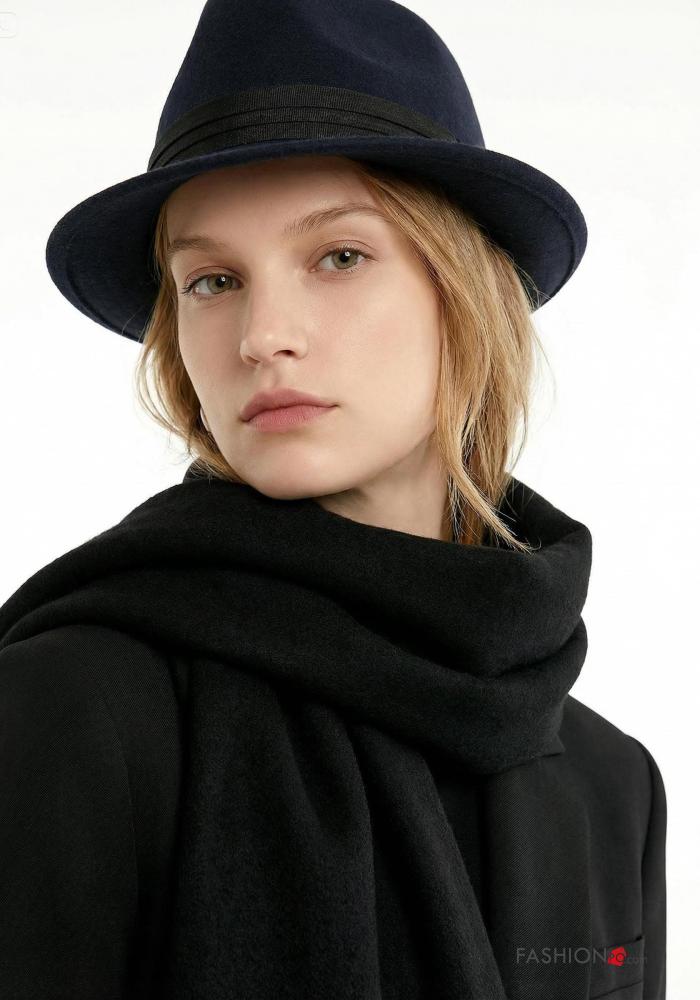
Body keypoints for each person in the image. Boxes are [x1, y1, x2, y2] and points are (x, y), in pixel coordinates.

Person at [0, 1, 666, 998]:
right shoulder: (69, 708)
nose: (262, 335)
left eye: (339, 257)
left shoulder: (612, 783)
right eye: (212, 280)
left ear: (466, 293)